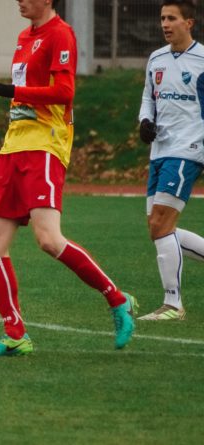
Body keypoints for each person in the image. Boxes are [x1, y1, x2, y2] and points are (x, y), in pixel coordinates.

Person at [0, 0, 137, 357]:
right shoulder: (24, 37)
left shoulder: (61, 35)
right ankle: (16, 335)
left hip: (45, 146)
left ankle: (117, 298)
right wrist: (3, 91)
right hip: (13, 147)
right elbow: (26, 89)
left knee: (48, 239)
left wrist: (8, 90)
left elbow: (64, 93)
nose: (19, 1)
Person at [138, 0, 204, 321]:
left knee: (161, 223)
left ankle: (173, 304)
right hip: (160, 150)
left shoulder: (202, 59)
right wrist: (144, 120)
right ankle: (172, 304)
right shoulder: (156, 58)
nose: (165, 23)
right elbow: (148, 97)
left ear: (188, 23)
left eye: (172, 18)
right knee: (158, 227)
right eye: (163, 18)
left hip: (188, 149)